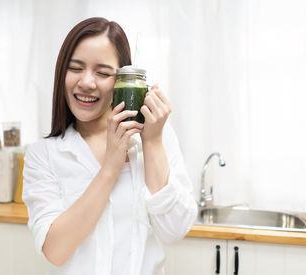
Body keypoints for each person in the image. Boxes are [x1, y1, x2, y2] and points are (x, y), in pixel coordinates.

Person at [23, 17, 197, 275]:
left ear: (121, 80)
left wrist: (151, 142)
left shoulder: (156, 136)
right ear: (62, 73)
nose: (87, 82)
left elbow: (175, 230)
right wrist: (110, 168)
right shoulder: (43, 156)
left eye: (102, 73)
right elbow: (55, 251)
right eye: (75, 68)